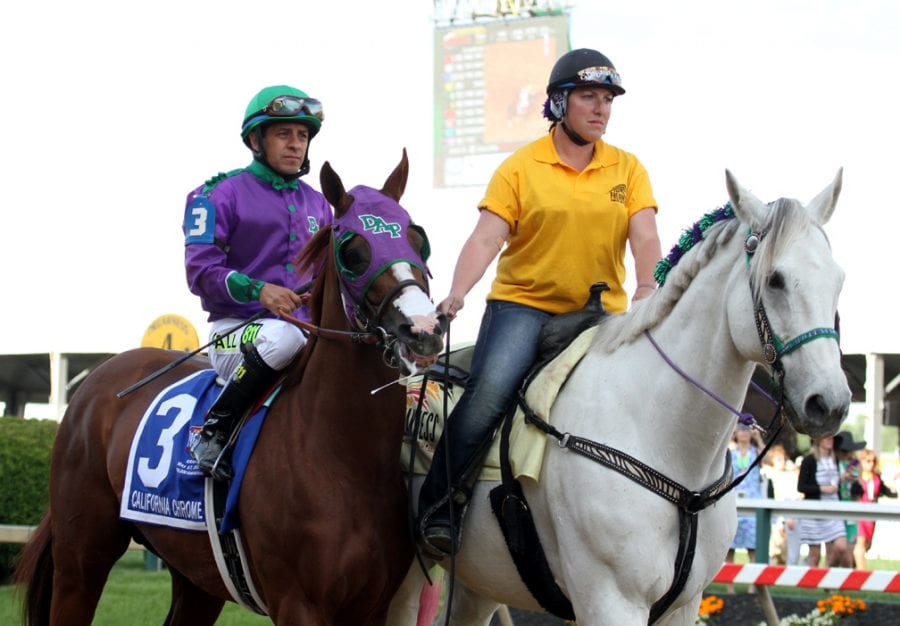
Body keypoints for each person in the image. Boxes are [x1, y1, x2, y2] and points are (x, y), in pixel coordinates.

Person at [416, 48, 662, 558]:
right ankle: (439, 505)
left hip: (600, 313)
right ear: (558, 103)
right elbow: (485, 239)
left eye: (607, 100)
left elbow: (644, 237)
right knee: (488, 394)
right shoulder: (520, 167)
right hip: (522, 307)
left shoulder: (628, 168)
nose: (600, 109)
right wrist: (456, 294)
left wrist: (645, 289)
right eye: (588, 97)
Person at [183, 85, 331, 481]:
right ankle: (214, 430)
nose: (295, 145)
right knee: (284, 338)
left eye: (302, 136)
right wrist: (259, 290)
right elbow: (199, 271)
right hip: (235, 333)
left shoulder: (319, 204)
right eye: (284, 134)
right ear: (255, 140)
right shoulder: (216, 194)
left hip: (305, 333)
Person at [796, 436, 853, 567]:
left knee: (840, 547)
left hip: (833, 508)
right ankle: (811, 585)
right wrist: (823, 489)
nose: (829, 440)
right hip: (814, 510)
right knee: (814, 554)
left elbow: (835, 481)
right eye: (826, 437)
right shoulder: (809, 460)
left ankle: (828, 576)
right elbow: (801, 486)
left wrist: (844, 478)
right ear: (818, 440)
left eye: (831, 437)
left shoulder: (835, 460)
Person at [725, 423, 763, 593]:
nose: (744, 433)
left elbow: (767, 459)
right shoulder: (730, 454)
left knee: (752, 546)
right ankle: (729, 584)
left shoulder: (755, 453)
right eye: (741, 429)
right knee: (729, 547)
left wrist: (758, 438)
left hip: (752, 501)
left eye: (747, 430)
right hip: (734, 502)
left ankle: (752, 585)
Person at [853, 448, 897, 570]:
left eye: (873, 461)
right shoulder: (857, 475)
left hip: (872, 516)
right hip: (859, 513)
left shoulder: (876, 477)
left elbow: (887, 491)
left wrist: (893, 483)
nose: (871, 464)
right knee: (860, 543)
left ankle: (853, 568)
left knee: (867, 545)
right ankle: (862, 574)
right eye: (868, 461)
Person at [760, 443, 802, 566]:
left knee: (792, 549)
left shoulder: (792, 473)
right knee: (777, 546)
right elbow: (763, 459)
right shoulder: (772, 472)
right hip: (779, 514)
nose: (782, 461)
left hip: (793, 512)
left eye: (783, 458)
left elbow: (798, 493)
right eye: (778, 459)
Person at [834, 430, 866, 561]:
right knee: (835, 554)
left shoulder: (856, 465)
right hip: (836, 510)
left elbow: (859, 491)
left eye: (848, 451)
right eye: (843, 451)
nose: (846, 454)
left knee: (848, 555)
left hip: (852, 511)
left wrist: (857, 481)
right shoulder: (833, 463)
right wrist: (841, 478)